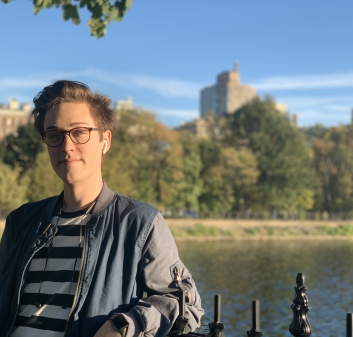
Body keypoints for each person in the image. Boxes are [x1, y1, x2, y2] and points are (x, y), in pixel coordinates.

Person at [0, 80, 204, 337]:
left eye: (79, 132)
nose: (67, 146)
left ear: (105, 141)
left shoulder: (138, 222)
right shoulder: (22, 221)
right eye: (54, 135)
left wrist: (123, 325)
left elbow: (185, 303)